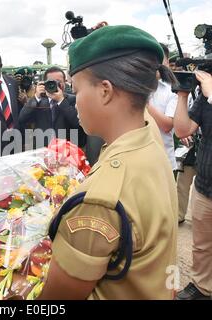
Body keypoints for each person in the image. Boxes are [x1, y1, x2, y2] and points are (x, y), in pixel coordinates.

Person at [38, 25, 178, 299]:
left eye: (76, 91)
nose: (74, 102)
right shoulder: (147, 132)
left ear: (105, 91)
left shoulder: (98, 201)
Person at [173, 70, 212, 300]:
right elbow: (183, 129)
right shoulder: (205, 95)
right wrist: (182, 94)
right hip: (205, 186)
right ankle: (202, 286)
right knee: (202, 246)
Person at [19, 66, 84, 148]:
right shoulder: (38, 101)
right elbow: (22, 118)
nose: (55, 85)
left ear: (65, 82)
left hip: (68, 150)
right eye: (51, 82)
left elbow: (78, 123)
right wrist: (36, 97)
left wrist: (61, 100)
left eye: (58, 82)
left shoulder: (73, 99)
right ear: (44, 83)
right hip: (43, 150)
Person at [147, 43, 179, 176]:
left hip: (164, 162)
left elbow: (167, 125)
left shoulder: (172, 89)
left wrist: (143, 102)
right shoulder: (134, 87)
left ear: (166, 61)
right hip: (140, 162)